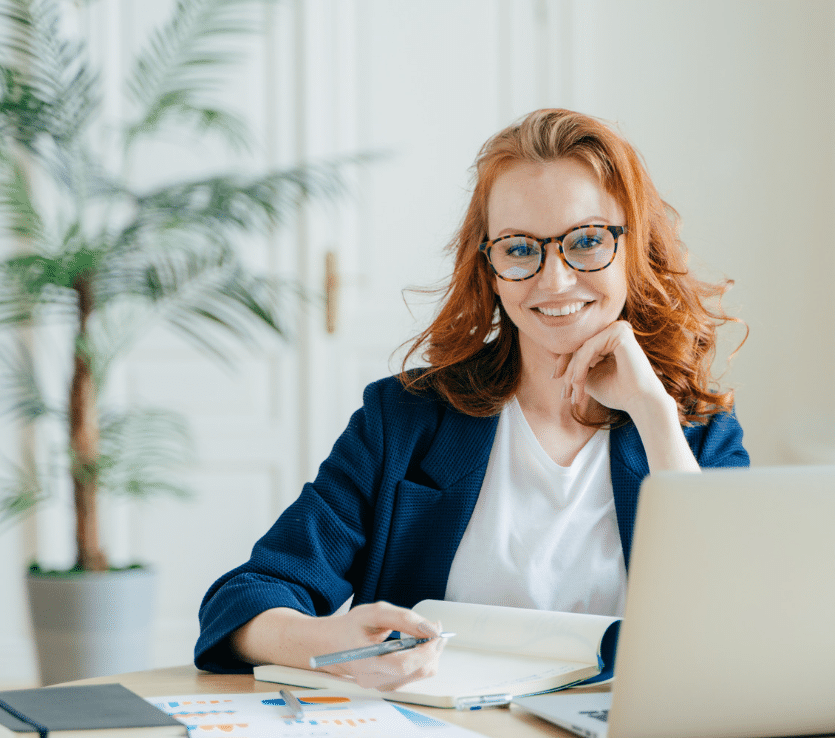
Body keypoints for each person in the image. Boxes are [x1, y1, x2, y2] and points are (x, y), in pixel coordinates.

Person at [194, 108, 749, 691]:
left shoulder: (694, 429)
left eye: (586, 241)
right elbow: (242, 602)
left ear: (635, 248)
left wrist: (655, 413)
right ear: (487, 266)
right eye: (518, 249)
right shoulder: (404, 421)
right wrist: (326, 643)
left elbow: (744, 614)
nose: (555, 280)